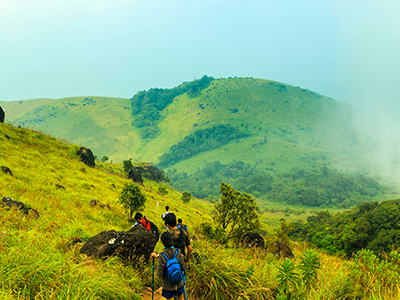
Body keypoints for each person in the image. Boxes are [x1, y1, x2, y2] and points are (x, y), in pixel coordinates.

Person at [151, 232, 186, 300]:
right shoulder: (178, 252)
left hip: (168, 285)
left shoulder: (162, 256)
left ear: (162, 243)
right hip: (179, 282)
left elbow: (159, 274)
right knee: (181, 297)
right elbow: (184, 267)